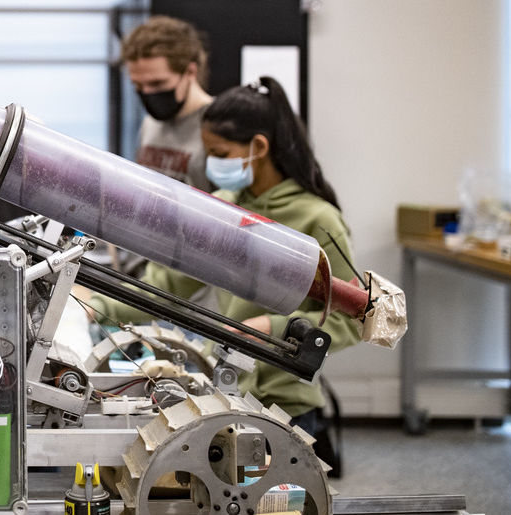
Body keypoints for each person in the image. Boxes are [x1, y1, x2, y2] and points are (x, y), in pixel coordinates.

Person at [88, 76, 360, 433]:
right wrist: (96, 305)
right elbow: (170, 285)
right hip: (229, 394)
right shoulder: (224, 209)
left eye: (220, 154)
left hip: (285, 408)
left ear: (258, 147)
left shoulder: (317, 220)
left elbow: (352, 319)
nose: (213, 163)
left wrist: (272, 328)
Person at [122, 16, 213, 190]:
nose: (147, 93)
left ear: (190, 71)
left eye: (157, 83)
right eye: (138, 85)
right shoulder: (150, 123)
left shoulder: (219, 123)